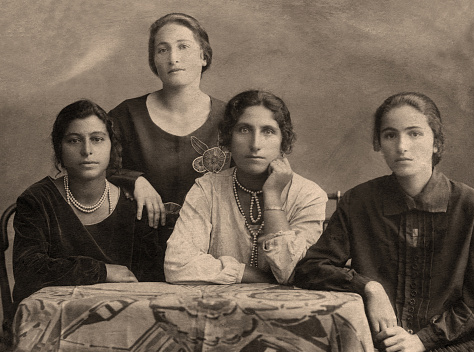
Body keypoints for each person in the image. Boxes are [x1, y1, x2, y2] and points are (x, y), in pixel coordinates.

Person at [294, 92, 474, 352]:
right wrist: (369, 288)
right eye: (390, 135)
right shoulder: (359, 201)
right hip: (375, 348)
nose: (401, 146)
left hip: (453, 347)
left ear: (436, 142)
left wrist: (424, 340)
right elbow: (310, 269)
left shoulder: (470, 207)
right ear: (378, 143)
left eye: (414, 134)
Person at [164, 90, 327, 285]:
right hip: (217, 309)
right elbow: (177, 265)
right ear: (228, 138)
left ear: (283, 142)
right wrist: (251, 275)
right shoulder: (207, 188)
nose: (255, 144)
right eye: (244, 130)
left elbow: (291, 273)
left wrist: (273, 196)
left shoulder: (309, 195)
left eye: (268, 131)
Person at [13, 100, 165, 305]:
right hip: (52, 321)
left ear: (112, 147)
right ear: (59, 149)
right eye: (74, 140)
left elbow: (152, 281)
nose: (87, 150)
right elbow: (28, 270)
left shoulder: (133, 204)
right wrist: (101, 271)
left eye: (97, 139)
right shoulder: (38, 200)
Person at [108, 13, 228, 242]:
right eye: (162, 50)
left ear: (203, 56)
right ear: (154, 61)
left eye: (183, 47)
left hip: (213, 246)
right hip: (138, 246)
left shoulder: (229, 118)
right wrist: (133, 180)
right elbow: (91, 166)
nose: (173, 58)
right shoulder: (126, 115)